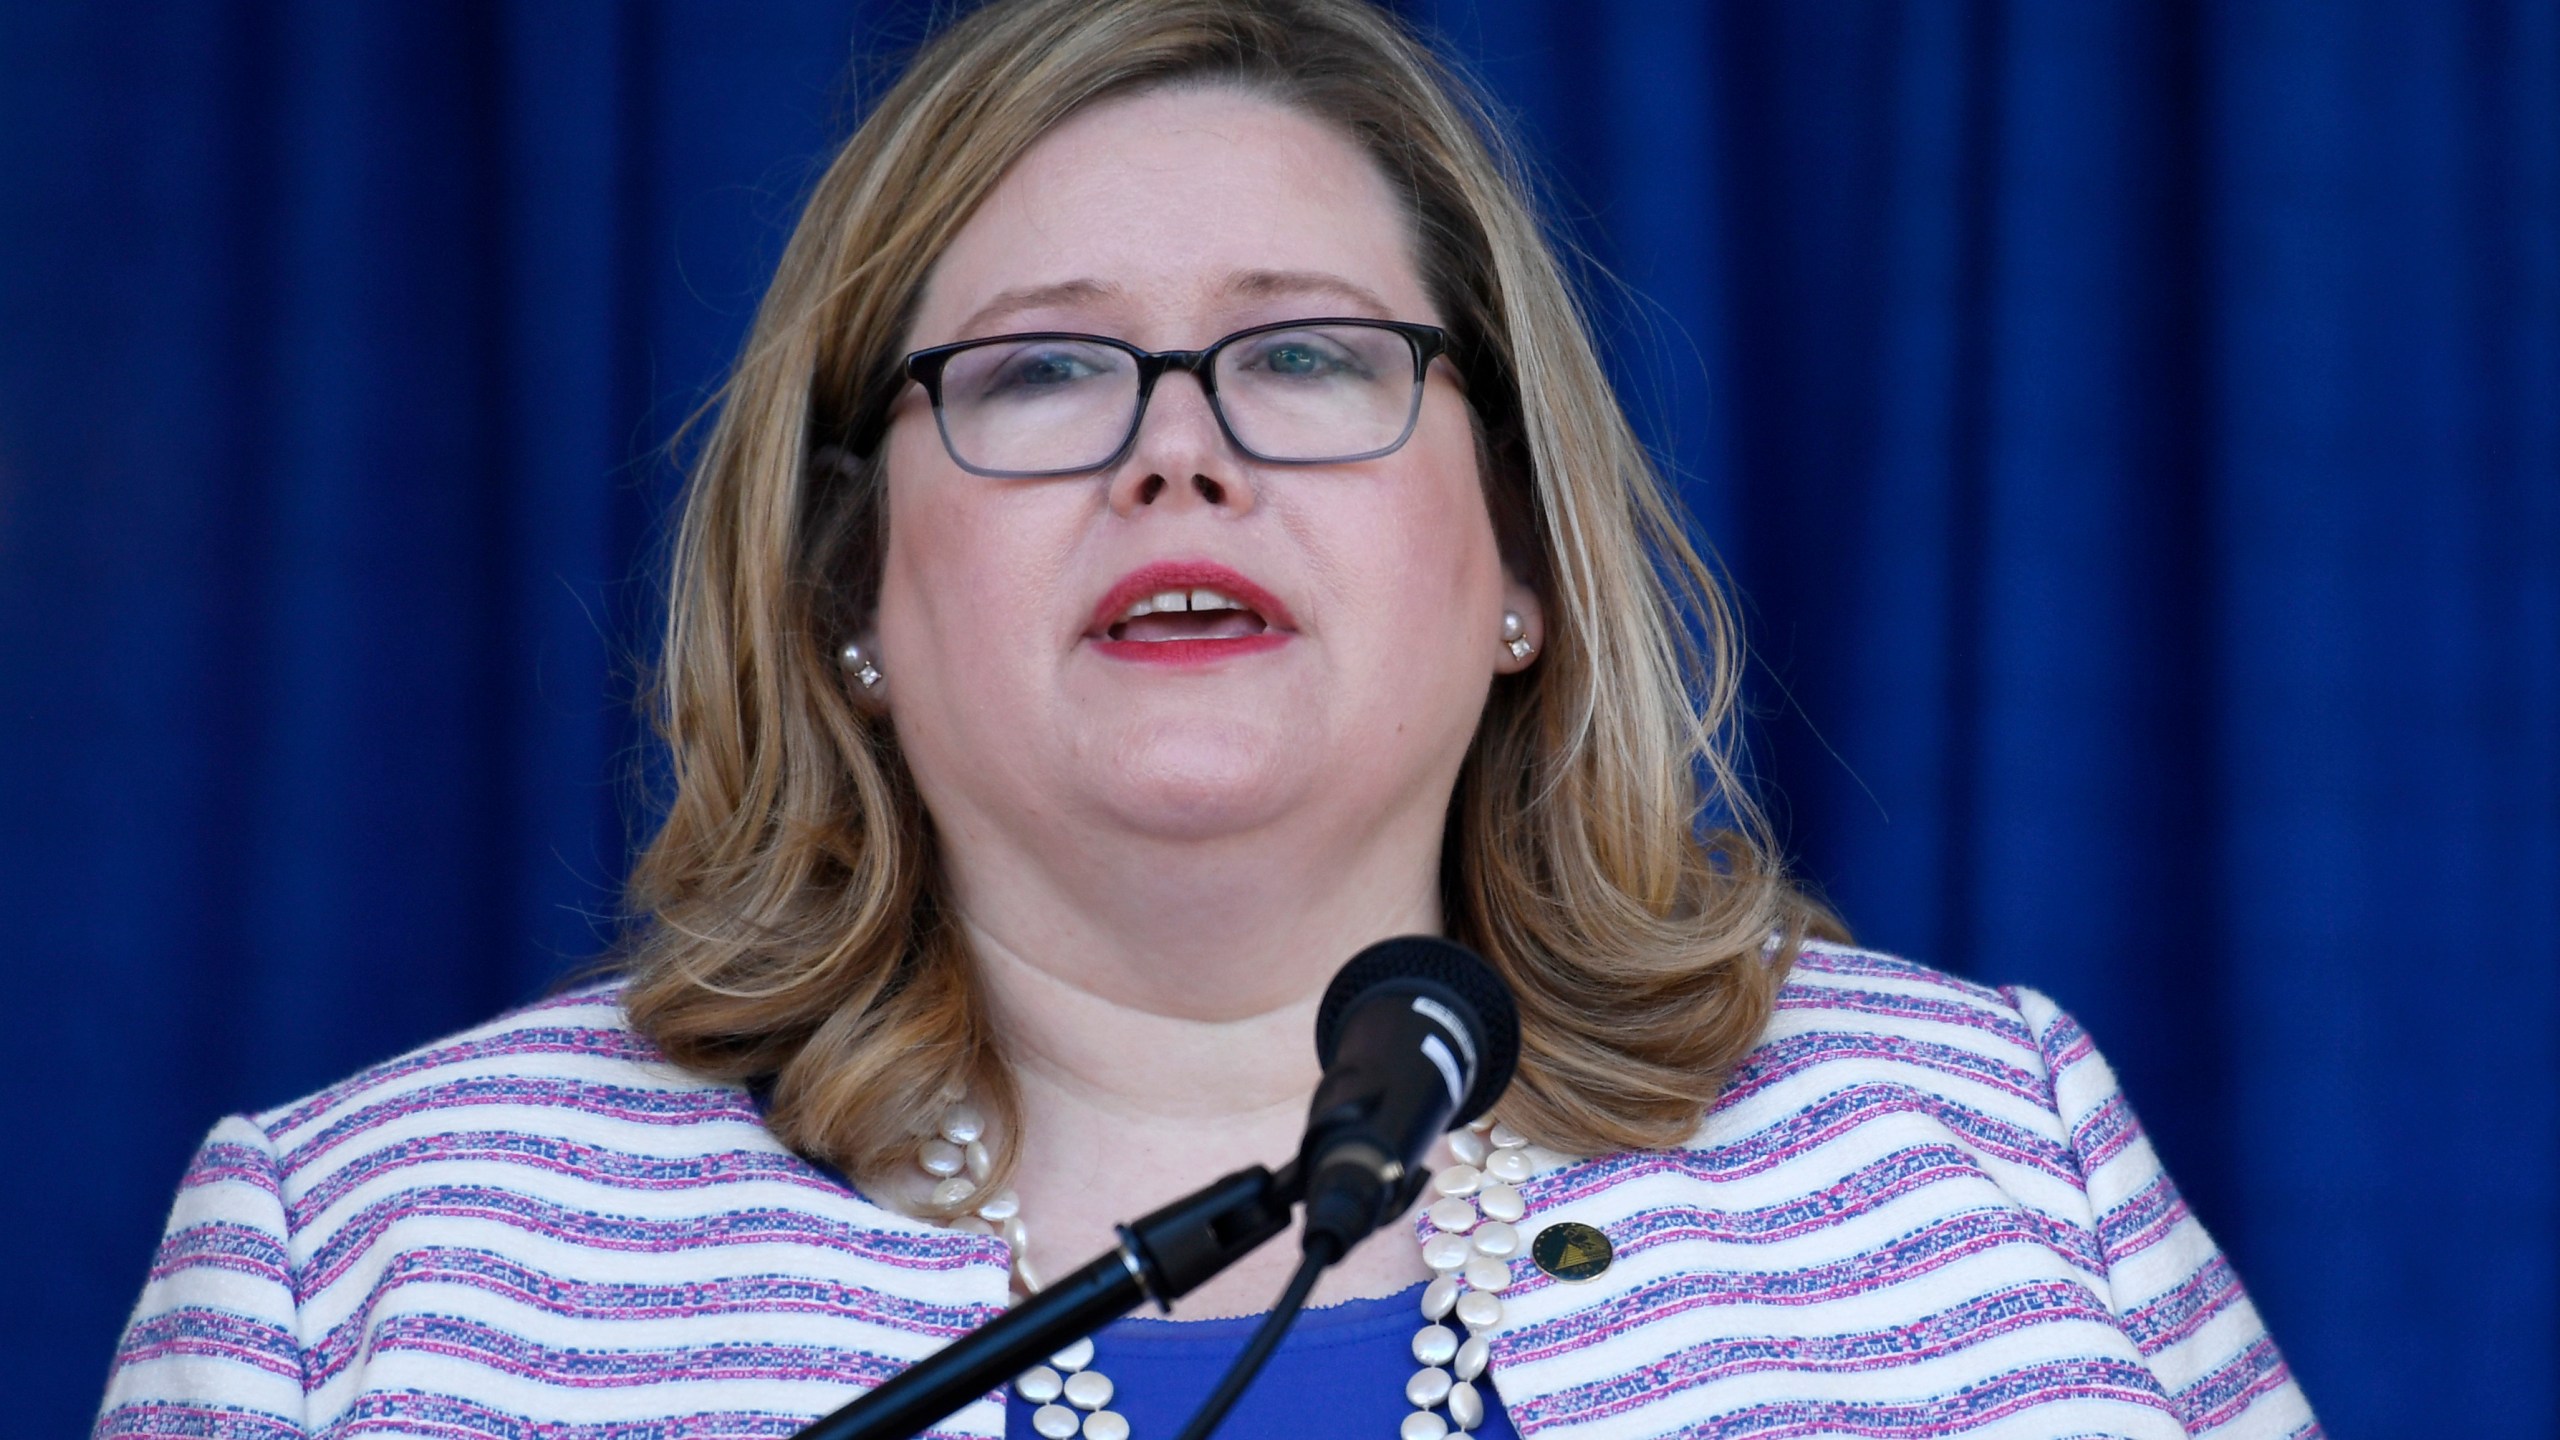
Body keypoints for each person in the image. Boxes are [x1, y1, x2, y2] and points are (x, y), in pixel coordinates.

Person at [96, 1, 2321, 1437]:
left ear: (1522, 563)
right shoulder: (368, 1261)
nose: (1181, 457)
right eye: (1044, 370)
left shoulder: (1973, 1159)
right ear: (848, 587)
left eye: (1312, 358)